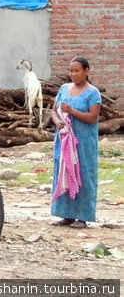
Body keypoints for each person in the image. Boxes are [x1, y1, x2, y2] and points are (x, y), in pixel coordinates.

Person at [50, 57, 101, 229]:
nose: (73, 74)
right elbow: (54, 111)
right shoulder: (64, 89)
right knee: (64, 173)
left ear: (87, 71)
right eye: (71, 71)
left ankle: (83, 216)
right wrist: (57, 121)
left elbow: (93, 117)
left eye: (77, 71)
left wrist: (72, 111)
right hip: (64, 141)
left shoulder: (93, 93)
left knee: (83, 175)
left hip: (83, 144)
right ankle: (67, 215)